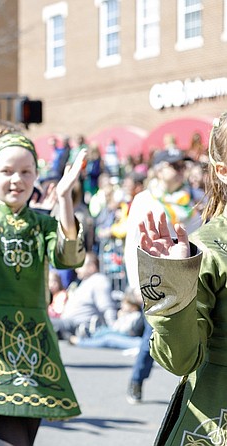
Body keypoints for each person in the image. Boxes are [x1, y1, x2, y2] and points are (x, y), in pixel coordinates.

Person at [0, 132, 86, 445]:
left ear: (36, 176)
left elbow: (69, 257)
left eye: (26, 172)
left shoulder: (43, 223)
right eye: (6, 171)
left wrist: (65, 198)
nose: (16, 179)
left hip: (35, 339)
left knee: (25, 437)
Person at [134, 112, 227, 446]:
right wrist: (173, 283)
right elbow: (181, 358)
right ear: (223, 171)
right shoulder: (210, 248)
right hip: (216, 412)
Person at [124, 145, 202, 404]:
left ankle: (194, 391)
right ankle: (137, 379)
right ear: (159, 170)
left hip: (190, 275)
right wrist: (135, 283)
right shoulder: (144, 200)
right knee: (153, 331)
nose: (181, 171)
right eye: (175, 165)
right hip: (156, 277)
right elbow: (132, 242)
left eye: (183, 166)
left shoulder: (194, 198)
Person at [51, 252, 117, 339]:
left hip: (78, 325)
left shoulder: (99, 281)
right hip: (69, 323)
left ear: (92, 267)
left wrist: (113, 330)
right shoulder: (84, 281)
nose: (76, 269)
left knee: (45, 322)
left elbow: (107, 308)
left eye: (80, 266)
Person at [68, 287, 144, 350]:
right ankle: (91, 334)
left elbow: (130, 330)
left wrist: (122, 318)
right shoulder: (141, 311)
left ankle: (82, 341)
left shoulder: (136, 314)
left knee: (109, 338)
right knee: (106, 331)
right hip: (134, 336)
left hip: (136, 338)